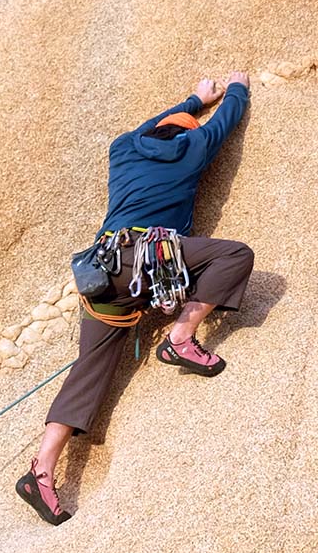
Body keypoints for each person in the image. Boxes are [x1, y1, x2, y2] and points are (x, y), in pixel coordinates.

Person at [15, 72, 256, 525]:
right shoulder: (192, 150)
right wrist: (237, 89)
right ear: (187, 136)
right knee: (235, 255)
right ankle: (181, 338)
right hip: (149, 259)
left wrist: (193, 99)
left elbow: (154, 125)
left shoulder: (122, 149)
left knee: (88, 373)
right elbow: (225, 123)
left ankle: (42, 470)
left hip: (101, 276)